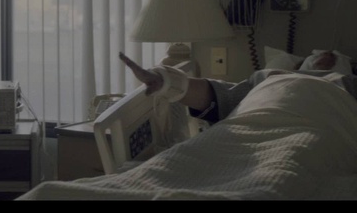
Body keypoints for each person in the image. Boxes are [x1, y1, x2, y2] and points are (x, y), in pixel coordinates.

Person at [119, 50, 357, 125]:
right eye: (318, 58)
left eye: (332, 58)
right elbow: (222, 97)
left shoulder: (348, 84)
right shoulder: (270, 77)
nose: (324, 60)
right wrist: (166, 82)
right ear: (302, 63)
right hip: (247, 133)